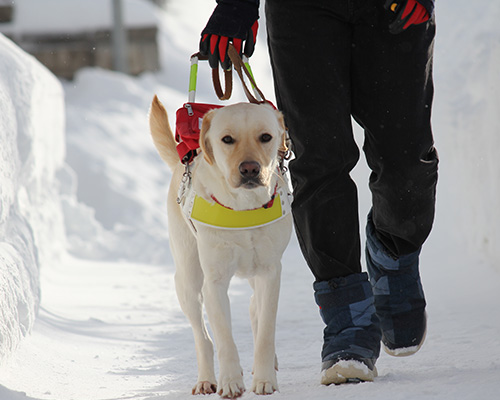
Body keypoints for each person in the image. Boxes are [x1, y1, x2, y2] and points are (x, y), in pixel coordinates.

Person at [199, 0, 438, 385]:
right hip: (302, 10)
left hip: (390, 7)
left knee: (406, 155)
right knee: (318, 160)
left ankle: (394, 256)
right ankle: (347, 322)